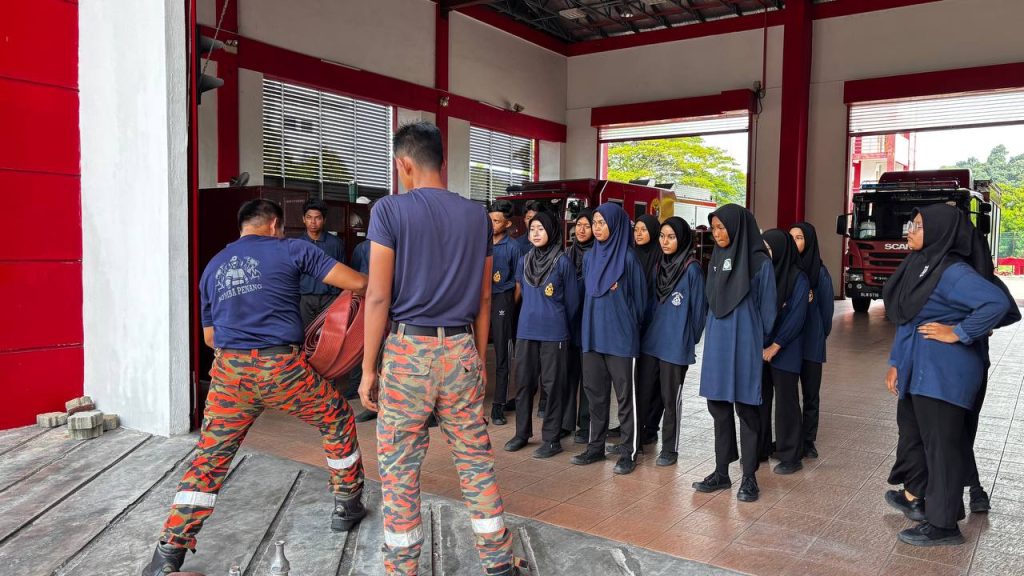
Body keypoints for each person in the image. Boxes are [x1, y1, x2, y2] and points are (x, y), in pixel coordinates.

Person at [143, 199, 368, 576]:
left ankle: (168, 552)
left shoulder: (213, 267)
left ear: (243, 227)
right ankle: (347, 504)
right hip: (281, 368)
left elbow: (211, 338)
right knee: (337, 418)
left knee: (210, 458)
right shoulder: (293, 249)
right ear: (275, 225)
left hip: (230, 373)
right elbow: (358, 283)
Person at [358, 122, 523, 576]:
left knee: (399, 465)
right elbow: (485, 298)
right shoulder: (476, 215)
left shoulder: (389, 211)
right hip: (462, 348)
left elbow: (378, 296)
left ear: (403, 164)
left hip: (409, 351)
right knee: (475, 459)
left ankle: (402, 568)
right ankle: (498, 561)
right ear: (442, 161)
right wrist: (479, 358)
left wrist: (368, 368)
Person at [882, 205, 1009, 547]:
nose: (909, 231)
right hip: (918, 371)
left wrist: (959, 332)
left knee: (942, 449)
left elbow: (996, 304)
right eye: (911, 224)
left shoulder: (952, 272)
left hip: (944, 375)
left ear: (939, 231)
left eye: (918, 226)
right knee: (916, 440)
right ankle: (920, 500)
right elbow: (906, 319)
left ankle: (944, 525)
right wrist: (896, 363)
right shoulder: (920, 266)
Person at [692, 204, 776, 503]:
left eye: (721, 228)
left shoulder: (759, 262)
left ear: (738, 227)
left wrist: (756, 342)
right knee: (718, 405)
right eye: (713, 228)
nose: (716, 234)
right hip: (717, 342)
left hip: (744, 342)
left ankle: (749, 477)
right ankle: (721, 472)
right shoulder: (716, 258)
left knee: (747, 409)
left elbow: (768, 311)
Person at [571, 202, 647, 476]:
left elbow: (641, 304)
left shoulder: (628, 259)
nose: (597, 228)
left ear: (615, 225)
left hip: (621, 340)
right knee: (595, 395)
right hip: (592, 337)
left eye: (602, 223)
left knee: (626, 399)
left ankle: (628, 452)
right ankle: (595, 447)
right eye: (595, 223)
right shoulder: (590, 257)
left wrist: (624, 324)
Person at [504, 212, 579, 458]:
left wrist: (559, 325)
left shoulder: (563, 262)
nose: (535, 233)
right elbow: (524, 294)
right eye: (533, 229)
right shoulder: (524, 260)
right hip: (526, 331)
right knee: (524, 384)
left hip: (554, 334)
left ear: (552, 231)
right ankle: (521, 433)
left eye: (541, 229)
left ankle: (552, 439)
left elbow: (572, 303)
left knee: (553, 386)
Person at [636, 217, 706, 466]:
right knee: (644, 393)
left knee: (670, 399)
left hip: (675, 345)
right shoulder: (659, 266)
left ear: (682, 239)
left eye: (671, 237)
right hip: (652, 342)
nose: (665, 242)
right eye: (662, 236)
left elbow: (699, 312)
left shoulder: (692, 269)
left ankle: (669, 449)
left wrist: (687, 339)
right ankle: (639, 438)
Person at [759, 229, 810, 475]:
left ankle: (790, 455)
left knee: (786, 402)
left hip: (785, 349)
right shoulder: (765, 272)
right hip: (762, 348)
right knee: (760, 399)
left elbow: (796, 317)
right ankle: (760, 448)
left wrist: (776, 345)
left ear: (781, 249)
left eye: (769, 248)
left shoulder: (798, 278)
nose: (766, 252)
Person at [789, 222, 834, 459]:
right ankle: (790, 437)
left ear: (809, 242)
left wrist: (818, 335)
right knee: (788, 395)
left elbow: (827, 313)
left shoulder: (820, 273)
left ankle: (808, 441)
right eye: (791, 237)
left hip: (811, 342)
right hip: (789, 343)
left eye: (799, 238)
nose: (794, 242)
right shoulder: (785, 269)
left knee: (810, 394)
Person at [487, 200, 525, 426]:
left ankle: (498, 405)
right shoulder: (480, 242)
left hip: (503, 298)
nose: (492, 224)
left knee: (502, 353)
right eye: (490, 220)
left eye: (497, 221)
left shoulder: (513, 247)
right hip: (481, 300)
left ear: (507, 224)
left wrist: (510, 305)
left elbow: (519, 283)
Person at [632, 213, 665, 446]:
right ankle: (635, 423)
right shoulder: (631, 255)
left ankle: (651, 426)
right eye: (636, 230)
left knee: (653, 380)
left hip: (655, 325)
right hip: (634, 325)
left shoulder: (661, 257)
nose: (639, 234)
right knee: (637, 379)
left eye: (644, 230)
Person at [563, 209, 595, 444]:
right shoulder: (567, 254)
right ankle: (565, 423)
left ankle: (585, 424)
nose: (581, 230)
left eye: (587, 225)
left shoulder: (598, 254)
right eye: (579, 225)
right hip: (568, 321)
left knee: (588, 377)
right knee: (568, 374)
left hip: (589, 321)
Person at [298, 198, 347, 327]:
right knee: (305, 334)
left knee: (329, 334)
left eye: (317, 218)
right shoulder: (297, 244)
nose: (313, 222)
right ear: (303, 219)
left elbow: (343, 273)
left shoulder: (335, 243)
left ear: (324, 220)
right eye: (309, 217)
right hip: (304, 299)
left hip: (330, 298)